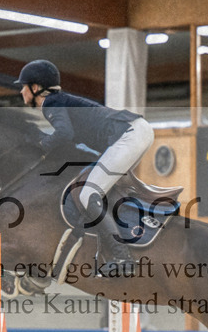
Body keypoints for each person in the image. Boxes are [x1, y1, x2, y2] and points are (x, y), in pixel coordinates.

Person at [14, 59, 154, 275]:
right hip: (135, 131)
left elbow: (64, 134)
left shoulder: (51, 103)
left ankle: (122, 257)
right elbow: (68, 141)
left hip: (128, 135)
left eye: (23, 86)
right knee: (99, 189)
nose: (21, 91)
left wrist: (42, 145)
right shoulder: (61, 102)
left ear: (35, 88)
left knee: (88, 195)